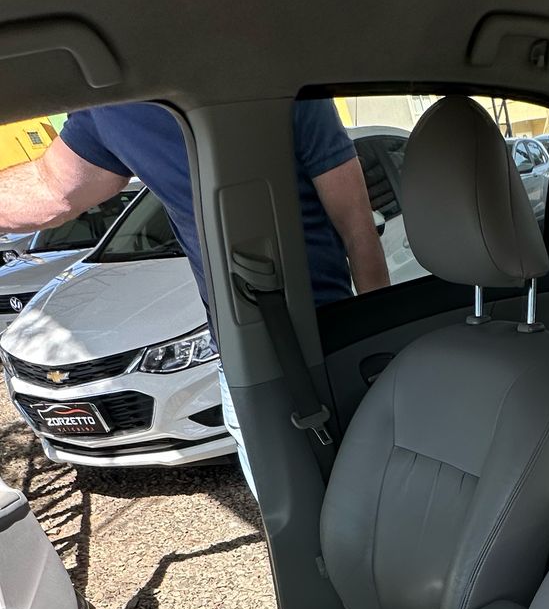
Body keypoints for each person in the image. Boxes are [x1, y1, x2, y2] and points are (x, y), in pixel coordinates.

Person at [0, 100, 388, 489]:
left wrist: (377, 347)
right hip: (240, 359)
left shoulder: (276, 76)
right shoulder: (112, 102)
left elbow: (356, 225)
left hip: (327, 339)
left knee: (366, 490)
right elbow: (53, 186)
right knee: (297, 503)